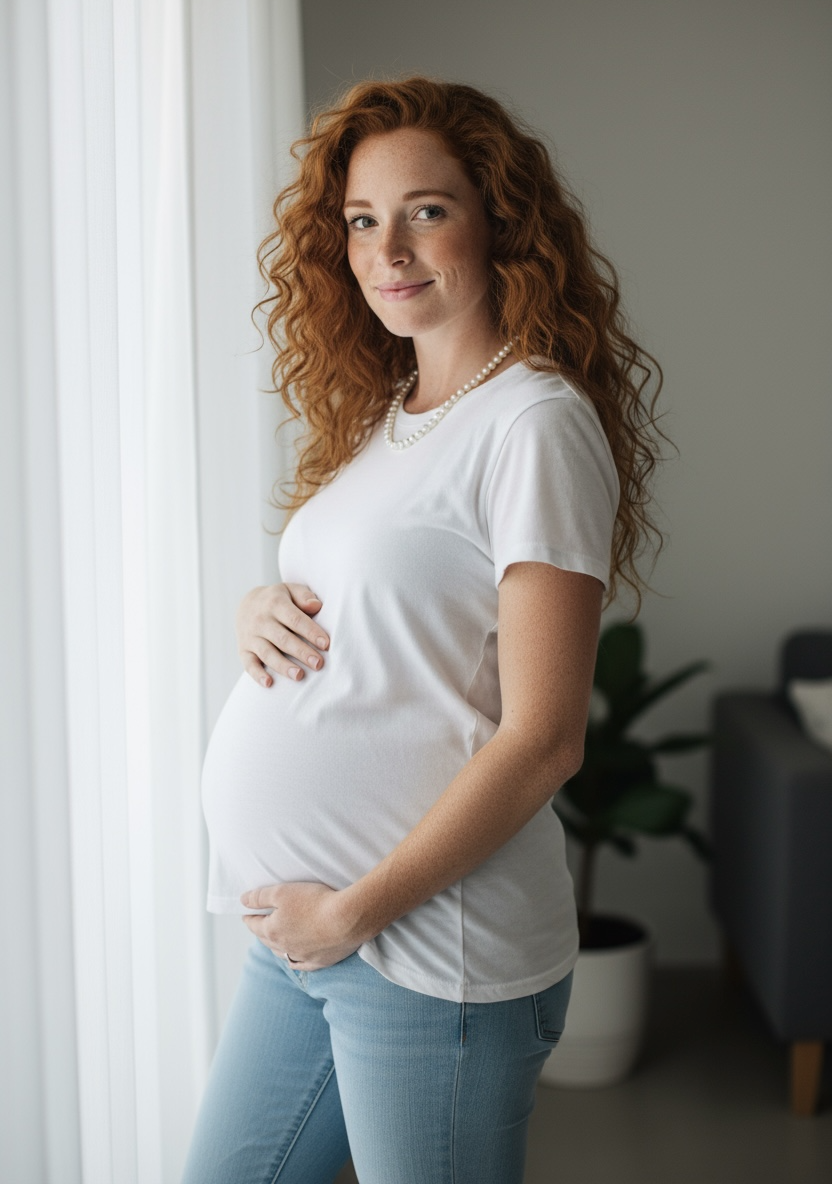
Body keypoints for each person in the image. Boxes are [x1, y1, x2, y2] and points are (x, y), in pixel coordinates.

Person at [182, 76, 662, 1184]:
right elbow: (391, 611)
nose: (386, 247)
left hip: (421, 949)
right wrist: (259, 610)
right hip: (304, 940)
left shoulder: (533, 421)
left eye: (426, 210)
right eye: (360, 219)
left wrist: (353, 911)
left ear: (501, 220)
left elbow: (544, 738)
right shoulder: (389, 416)